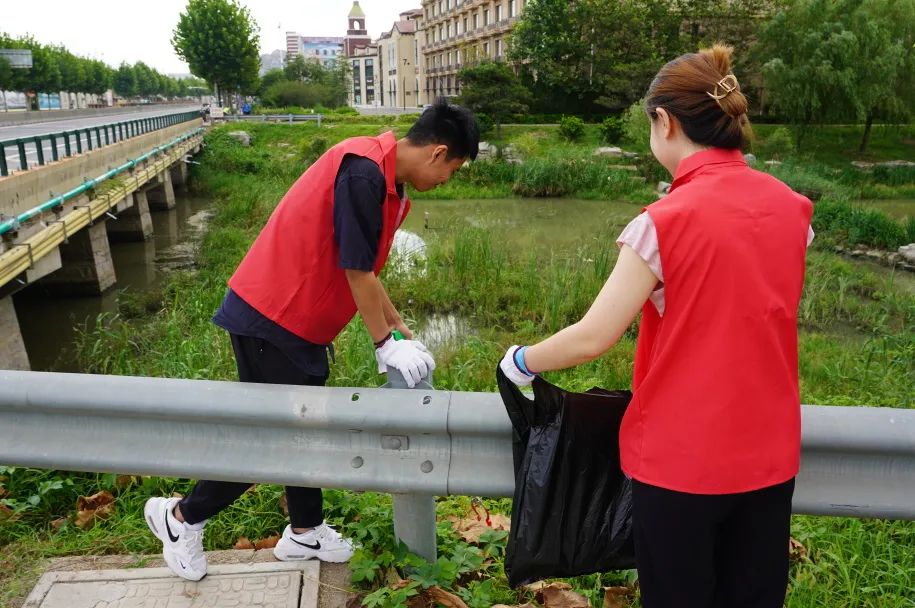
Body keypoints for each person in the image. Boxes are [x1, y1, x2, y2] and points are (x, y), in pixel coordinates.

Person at [499, 45, 813, 608]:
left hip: (679, 464)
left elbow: (595, 335)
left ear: (664, 122)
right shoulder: (793, 210)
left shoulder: (662, 223)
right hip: (769, 455)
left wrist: (520, 360)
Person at [145, 98, 480, 581]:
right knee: (274, 439)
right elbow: (355, 267)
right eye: (453, 170)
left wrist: (399, 326)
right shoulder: (364, 173)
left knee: (297, 430)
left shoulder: (386, 178)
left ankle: (304, 531)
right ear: (438, 152)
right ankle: (180, 519)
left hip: (294, 324)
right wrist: (384, 344)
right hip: (273, 318)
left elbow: (365, 266)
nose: (447, 181)